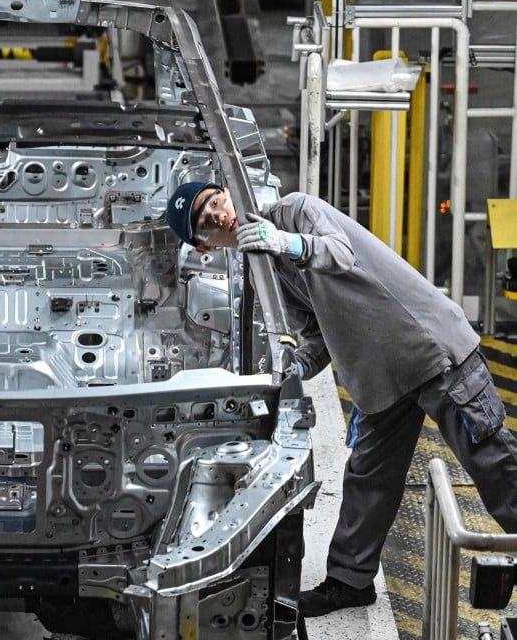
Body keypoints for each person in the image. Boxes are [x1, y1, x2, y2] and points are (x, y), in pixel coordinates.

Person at [165, 181, 517, 617]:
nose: (219, 215)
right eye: (205, 221)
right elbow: (316, 334)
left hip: (428, 350)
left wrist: (287, 243)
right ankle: (350, 582)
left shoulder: (295, 213)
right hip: (379, 376)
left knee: (494, 464)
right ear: (205, 245)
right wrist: (285, 371)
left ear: (230, 194)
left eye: (217, 202)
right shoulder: (264, 269)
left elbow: (340, 253)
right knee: (367, 478)